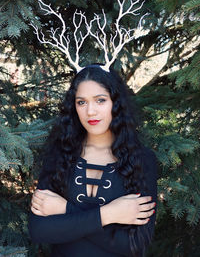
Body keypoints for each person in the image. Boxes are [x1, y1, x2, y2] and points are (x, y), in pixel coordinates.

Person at [28, 64, 157, 257]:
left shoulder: (141, 159)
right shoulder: (60, 153)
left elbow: (135, 244)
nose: (90, 112)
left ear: (116, 102)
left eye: (100, 100)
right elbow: (39, 230)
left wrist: (65, 210)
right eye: (81, 102)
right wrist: (109, 214)